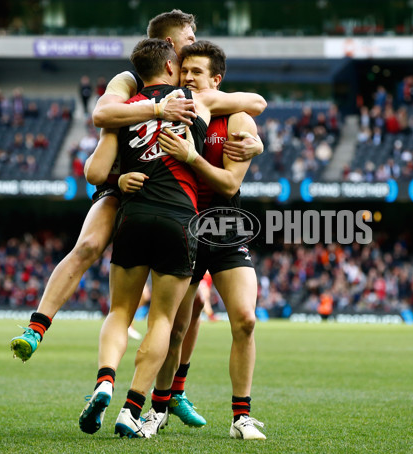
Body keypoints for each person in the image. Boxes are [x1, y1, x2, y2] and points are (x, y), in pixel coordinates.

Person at [9, 9, 262, 362]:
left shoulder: (191, 86)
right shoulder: (131, 78)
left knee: (190, 305)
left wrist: (258, 144)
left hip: (171, 195)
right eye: (190, 39)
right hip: (124, 182)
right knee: (90, 245)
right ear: (172, 45)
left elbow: (252, 102)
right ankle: (37, 327)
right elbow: (102, 116)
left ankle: (173, 393)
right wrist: (158, 111)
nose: (195, 45)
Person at [78, 38, 266, 439]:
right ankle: (156, 408)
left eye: (196, 72)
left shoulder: (231, 116)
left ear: (216, 80)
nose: (187, 78)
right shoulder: (178, 104)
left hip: (226, 223)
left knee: (246, 320)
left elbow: (232, 182)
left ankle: (241, 416)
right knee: (175, 325)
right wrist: (118, 178)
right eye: (183, 71)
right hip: (186, 221)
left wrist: (201, 155)